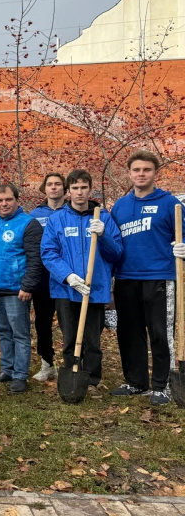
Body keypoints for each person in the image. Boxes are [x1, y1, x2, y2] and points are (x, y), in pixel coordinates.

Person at [110, 150, 184, 405]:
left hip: (160, 277)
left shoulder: (170, 203)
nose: (141, 174)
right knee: (129, 332)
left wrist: (183, 247)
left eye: (147, 170)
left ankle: (161, 386)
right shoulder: (120, 205)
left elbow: (182, 236)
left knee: (160, 333)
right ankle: (136, 382)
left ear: (155, 173)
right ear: (129, 173)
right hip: (126, 276)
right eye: (136, 170)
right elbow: (112, 242)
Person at [41, 169, 123, 390]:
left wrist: (104, 235)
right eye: (75, 188)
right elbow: (48, 252)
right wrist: (67, 276)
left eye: (83, 187)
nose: (79, 192)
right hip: (66, 290)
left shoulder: (103, 218)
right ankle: (73, 377)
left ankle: (93, 381)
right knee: (69, 339)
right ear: (69, 191)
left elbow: (116, 253)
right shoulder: (57, 219)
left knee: (93, 342)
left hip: (94, 289)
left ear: (90, 189)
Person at [0, 184, 44, 394]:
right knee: (3, 332)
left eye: (8, 199)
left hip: (16, 290)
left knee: (20, 334)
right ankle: (6, 370)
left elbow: (36, 259)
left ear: (17, 200)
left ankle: (20, 375)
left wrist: (27, 285)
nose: (3, 204)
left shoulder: (29, 224)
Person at [29, 173, 67, 382]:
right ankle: (47, 364)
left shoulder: (72, 211)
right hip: (43, 278)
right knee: (43, 323)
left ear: (65, 188)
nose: (54, 188)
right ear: (44, 189)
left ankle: (71, 363)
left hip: (67, 278)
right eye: (50, 185)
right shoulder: (35, 214)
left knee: (67, 322)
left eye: (58, 184)